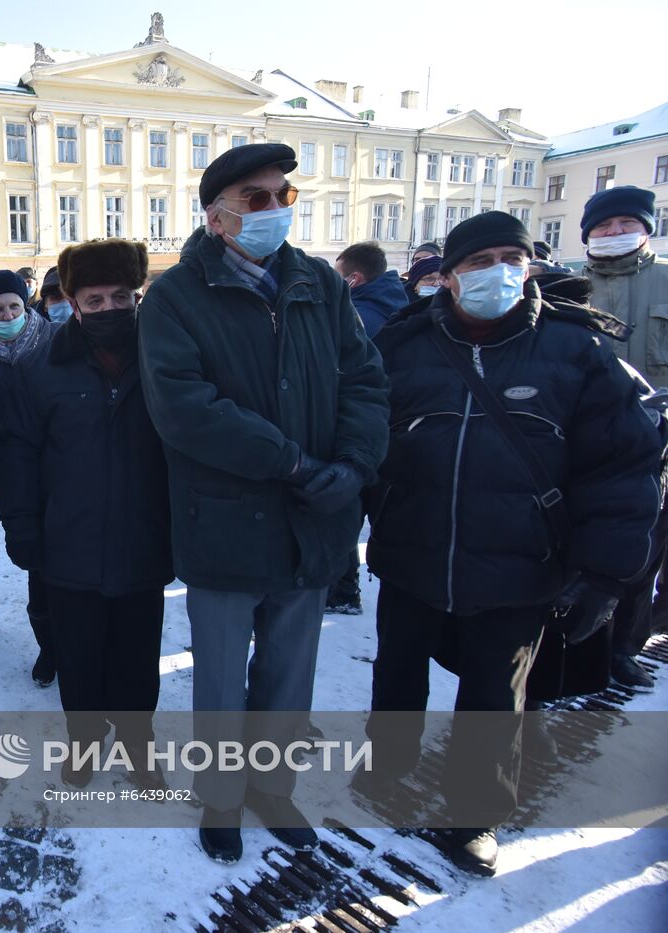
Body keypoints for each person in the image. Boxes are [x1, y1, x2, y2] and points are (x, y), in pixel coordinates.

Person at [361, 211, 663, 876]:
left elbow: (620, 465)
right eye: (478, 260)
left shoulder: (575, 350)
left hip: (521, 562)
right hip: (413, 547)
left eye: (510, 256)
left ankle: (474, 815)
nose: (496, 270)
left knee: (496, 695)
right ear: (450, 275)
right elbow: (362, 440)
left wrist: (606, 575)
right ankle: (386, 769)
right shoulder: (403, 343)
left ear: (528, 265)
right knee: (397, 672)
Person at [138, 142, 390, 863]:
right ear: (217, 217)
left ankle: (271, 787)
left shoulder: (319, 282)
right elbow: (185, 408)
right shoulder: (177, 296)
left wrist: (353, 462)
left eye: (284, 195)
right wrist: (292, 459)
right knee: (220, 675)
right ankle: (221, 797)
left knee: (289, 669)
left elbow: (364, 381)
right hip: (224, 521)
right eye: (257, 198)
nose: (275, 208)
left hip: (312, 519)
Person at [0, 241, 172, 788]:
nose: (109, 309)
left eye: (121, 297)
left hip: (144, 537)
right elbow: (19, 453)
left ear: (137, 296)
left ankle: (138, 743)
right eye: (94, 300)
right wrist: (22, 526)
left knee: (137, 652)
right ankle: (86, 741)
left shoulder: (164, 357)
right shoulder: (41, 366)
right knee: (78, 653)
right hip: (68, 541)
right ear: (73, 303)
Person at [581, 186, 668, 688]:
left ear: (646, 229)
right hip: (587, 438)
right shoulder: (567, 286)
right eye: (604, 227)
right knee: (581, 547)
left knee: (642, 548)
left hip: (657, 442)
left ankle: (624, 649)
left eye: (625, 226)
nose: (614, 235)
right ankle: (573, 648)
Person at [0, 268, 56, 686]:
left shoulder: (55, 344)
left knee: (67, 568)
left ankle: (66, 646)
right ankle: (48, 644)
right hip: (13, 480)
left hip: (63, 476)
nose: (6, 315)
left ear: (27, 305)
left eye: (13, 307)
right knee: (35, 566)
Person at [327, 240, 409, 616]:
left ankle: (342, 589)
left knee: (345, 509)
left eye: (339, 278)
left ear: (355, 279)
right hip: (391, 428)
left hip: (363, 428)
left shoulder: (359, 316)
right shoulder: (398, 304)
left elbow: (345, 376)